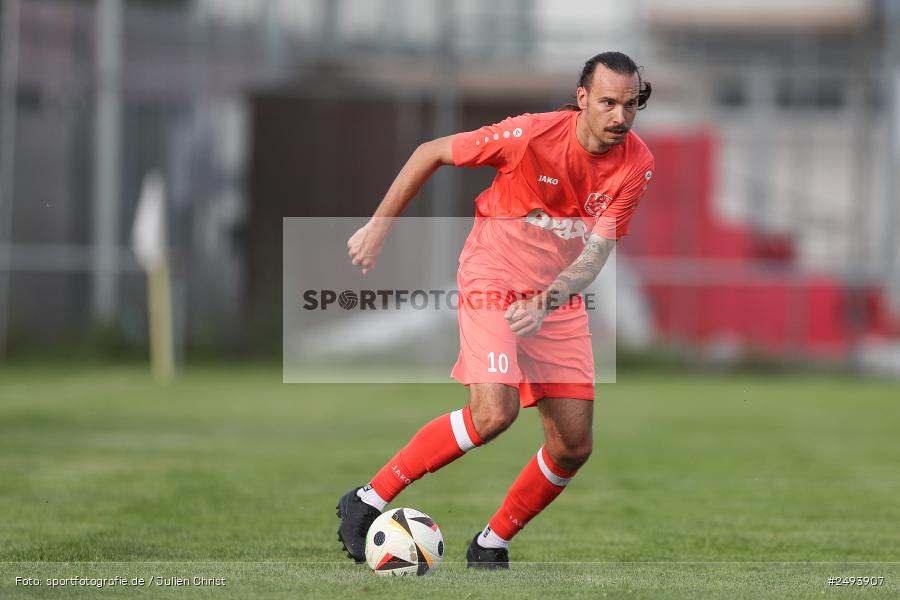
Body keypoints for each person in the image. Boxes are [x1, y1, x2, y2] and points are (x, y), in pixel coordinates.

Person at [337, 51, 655, 570]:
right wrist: (378, 227)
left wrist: (548, 300)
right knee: (493, 414)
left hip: (554, 298)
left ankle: (491, 542)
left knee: (573, 446)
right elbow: (430, 151)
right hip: (492, 277)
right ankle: (368, 500)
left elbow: (595, 253)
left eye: (630, 104)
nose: (620, 116)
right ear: (582, 99)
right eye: (608, 103)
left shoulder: (637, 164)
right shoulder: (529, 135)